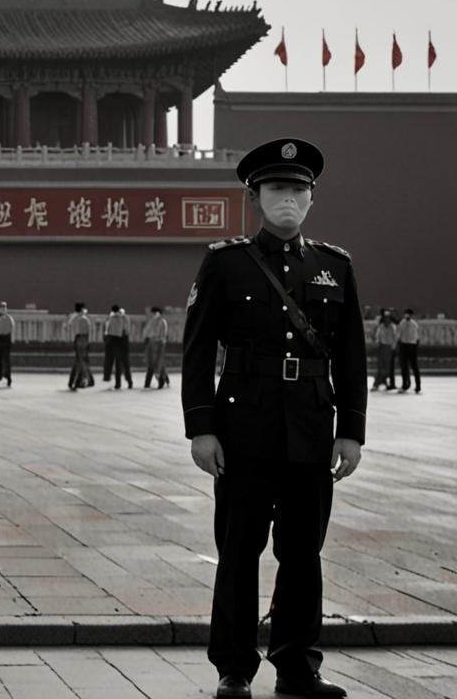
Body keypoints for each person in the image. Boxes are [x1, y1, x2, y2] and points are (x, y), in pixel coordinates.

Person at [182, 138, 366, 699]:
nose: (288, 198)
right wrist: (201, 427)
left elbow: (352, 353)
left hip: (311, 429)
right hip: (243, 428)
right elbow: (196, 348)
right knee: (239, 549)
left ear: (312, 199)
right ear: (256, 196)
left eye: (298, 189)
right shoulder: (226, 263)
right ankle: (234, 668)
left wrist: (351, 432)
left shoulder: (335, 266)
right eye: (277, 188)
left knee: (302, 551)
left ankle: (296, 666)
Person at [65, 302, 94, 390]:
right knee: (82, 360)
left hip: (77, 338)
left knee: (79, 360)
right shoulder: (85, 318)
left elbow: (67, 326)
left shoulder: (73, 317)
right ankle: (85, 379)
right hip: (84, 338)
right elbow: (90, 330)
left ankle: (74, 381)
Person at [103, 304, 132, 389]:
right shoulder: (124, 318)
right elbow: (126, 331)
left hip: (112, 341)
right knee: (124, 362)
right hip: (122, 341)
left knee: (114, 362)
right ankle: (129, 380)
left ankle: (117, 383)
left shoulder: (110, 318)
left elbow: (107, 331)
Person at [142, 306, 170, 389]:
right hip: (152, 343)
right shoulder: (152, 321)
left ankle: (158, 381)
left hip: (158, 344)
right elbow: (147, 331)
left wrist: (161, 343)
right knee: (155, 363)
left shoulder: (162, 322)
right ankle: (164, 380)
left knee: (156, 363)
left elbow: (163, 334)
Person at [396, 309, 421, 394]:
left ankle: (418, 386)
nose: (407, 316)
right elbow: (399, 334)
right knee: (404, 367)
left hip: (411, 346)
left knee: (414, 367)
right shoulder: (402, 323)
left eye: (409, 314)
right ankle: (405, 384)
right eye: (406, 314)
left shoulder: (414, 324)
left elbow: (417, 337)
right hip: (404, 345)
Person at [371, 310, 397, 391]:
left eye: (388, 318)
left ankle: (385, 381)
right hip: (382, 347)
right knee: (380, 366)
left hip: (389, 348)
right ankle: (377, 382)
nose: (387, 320)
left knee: (387, 367)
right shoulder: (381, 327)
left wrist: (393, 347)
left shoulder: (392, 327)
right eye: (385, 318)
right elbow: (377, 336)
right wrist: (377, 343)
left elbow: (395, 337)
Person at [0, 301, 14, 388]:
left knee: (4, 360)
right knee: (0, 360)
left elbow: (9, 329)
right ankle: (0, 377)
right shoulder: (0, 318)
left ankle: (6, 377)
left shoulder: (6, 318)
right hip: (1, 339)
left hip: (4, 339)